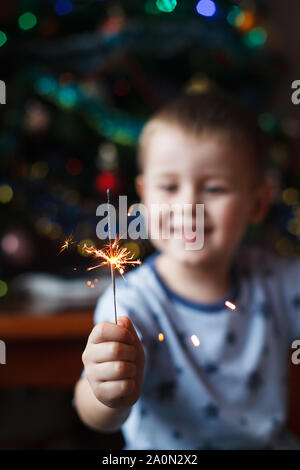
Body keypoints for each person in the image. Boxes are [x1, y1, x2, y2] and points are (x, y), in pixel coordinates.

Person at [74, 90, 300, 450]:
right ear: (144, 197)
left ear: (257, 203)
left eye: (214, 188)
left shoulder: (277, 281)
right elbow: (96, 413)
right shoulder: (134, 303)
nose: (188, 206)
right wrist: (104, 393)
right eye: (168, 186)